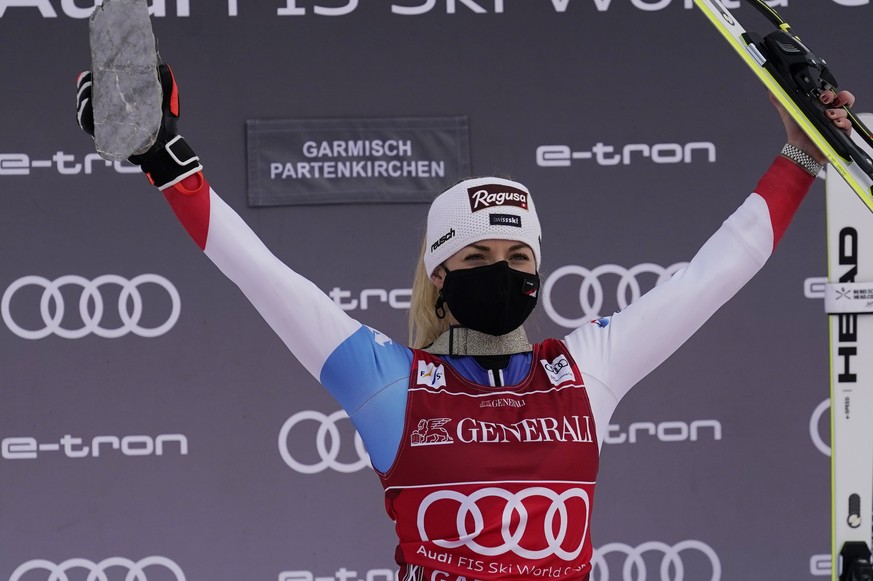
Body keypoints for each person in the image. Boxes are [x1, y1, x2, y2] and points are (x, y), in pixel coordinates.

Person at [76, 65, 854, 580]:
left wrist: (799, 156)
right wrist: (163, 155)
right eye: (480, 251)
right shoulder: (389, 379)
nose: (506, 267)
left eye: (519, 254)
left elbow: (715, 274)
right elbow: (260, 271)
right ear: (439, 273)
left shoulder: (581, 371)